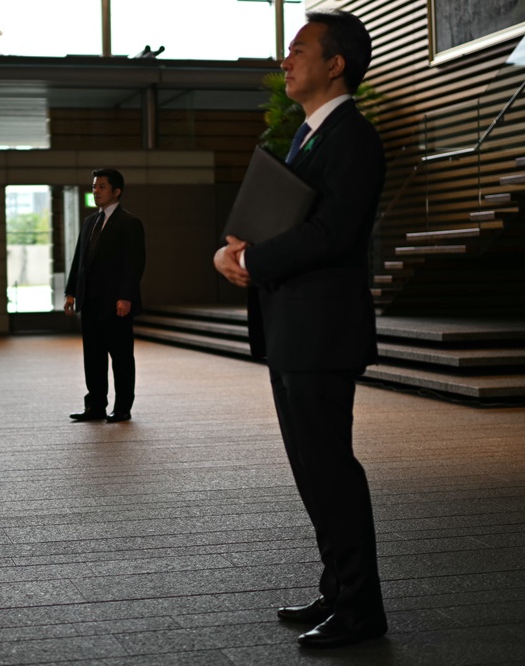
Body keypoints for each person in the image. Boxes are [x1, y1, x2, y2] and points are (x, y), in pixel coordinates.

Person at [213, 11, 388, 649]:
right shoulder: (309, 136)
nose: (285, 61)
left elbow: (330, 233)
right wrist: (234, 250)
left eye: (298, 50)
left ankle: (361, 609)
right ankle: (338, 588)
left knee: (330, 469)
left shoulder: (354, 138)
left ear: (335, 65)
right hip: (294, 327)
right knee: (312, 471)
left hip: (322, 331)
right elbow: (283, 217)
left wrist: (253, 260)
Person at [65, 168, 146, 423]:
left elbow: (134, 264)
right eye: (94, 186)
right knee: (93, 357)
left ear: (116, 191)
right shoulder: (90, 221)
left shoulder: (129, 223)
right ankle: (95, 406)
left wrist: (126, 296)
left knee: (121, 358)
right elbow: (79, 260)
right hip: (89, 301)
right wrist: (71, 292)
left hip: (115, 303)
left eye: (101, 187)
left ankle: (122, 407)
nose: (96, 191)